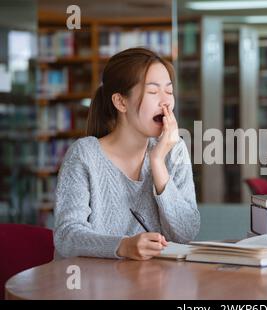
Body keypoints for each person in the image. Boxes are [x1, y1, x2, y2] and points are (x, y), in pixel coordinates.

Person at [53, 47, 200, 260]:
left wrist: (157, 162)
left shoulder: (173, 150)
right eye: (153, 92)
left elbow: (186, 233)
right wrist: (122, 246)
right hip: (92, 287)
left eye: (169, 91)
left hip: (152, 284)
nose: (166, 102)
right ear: (121, 102)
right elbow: (67, 236)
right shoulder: (84, 154)